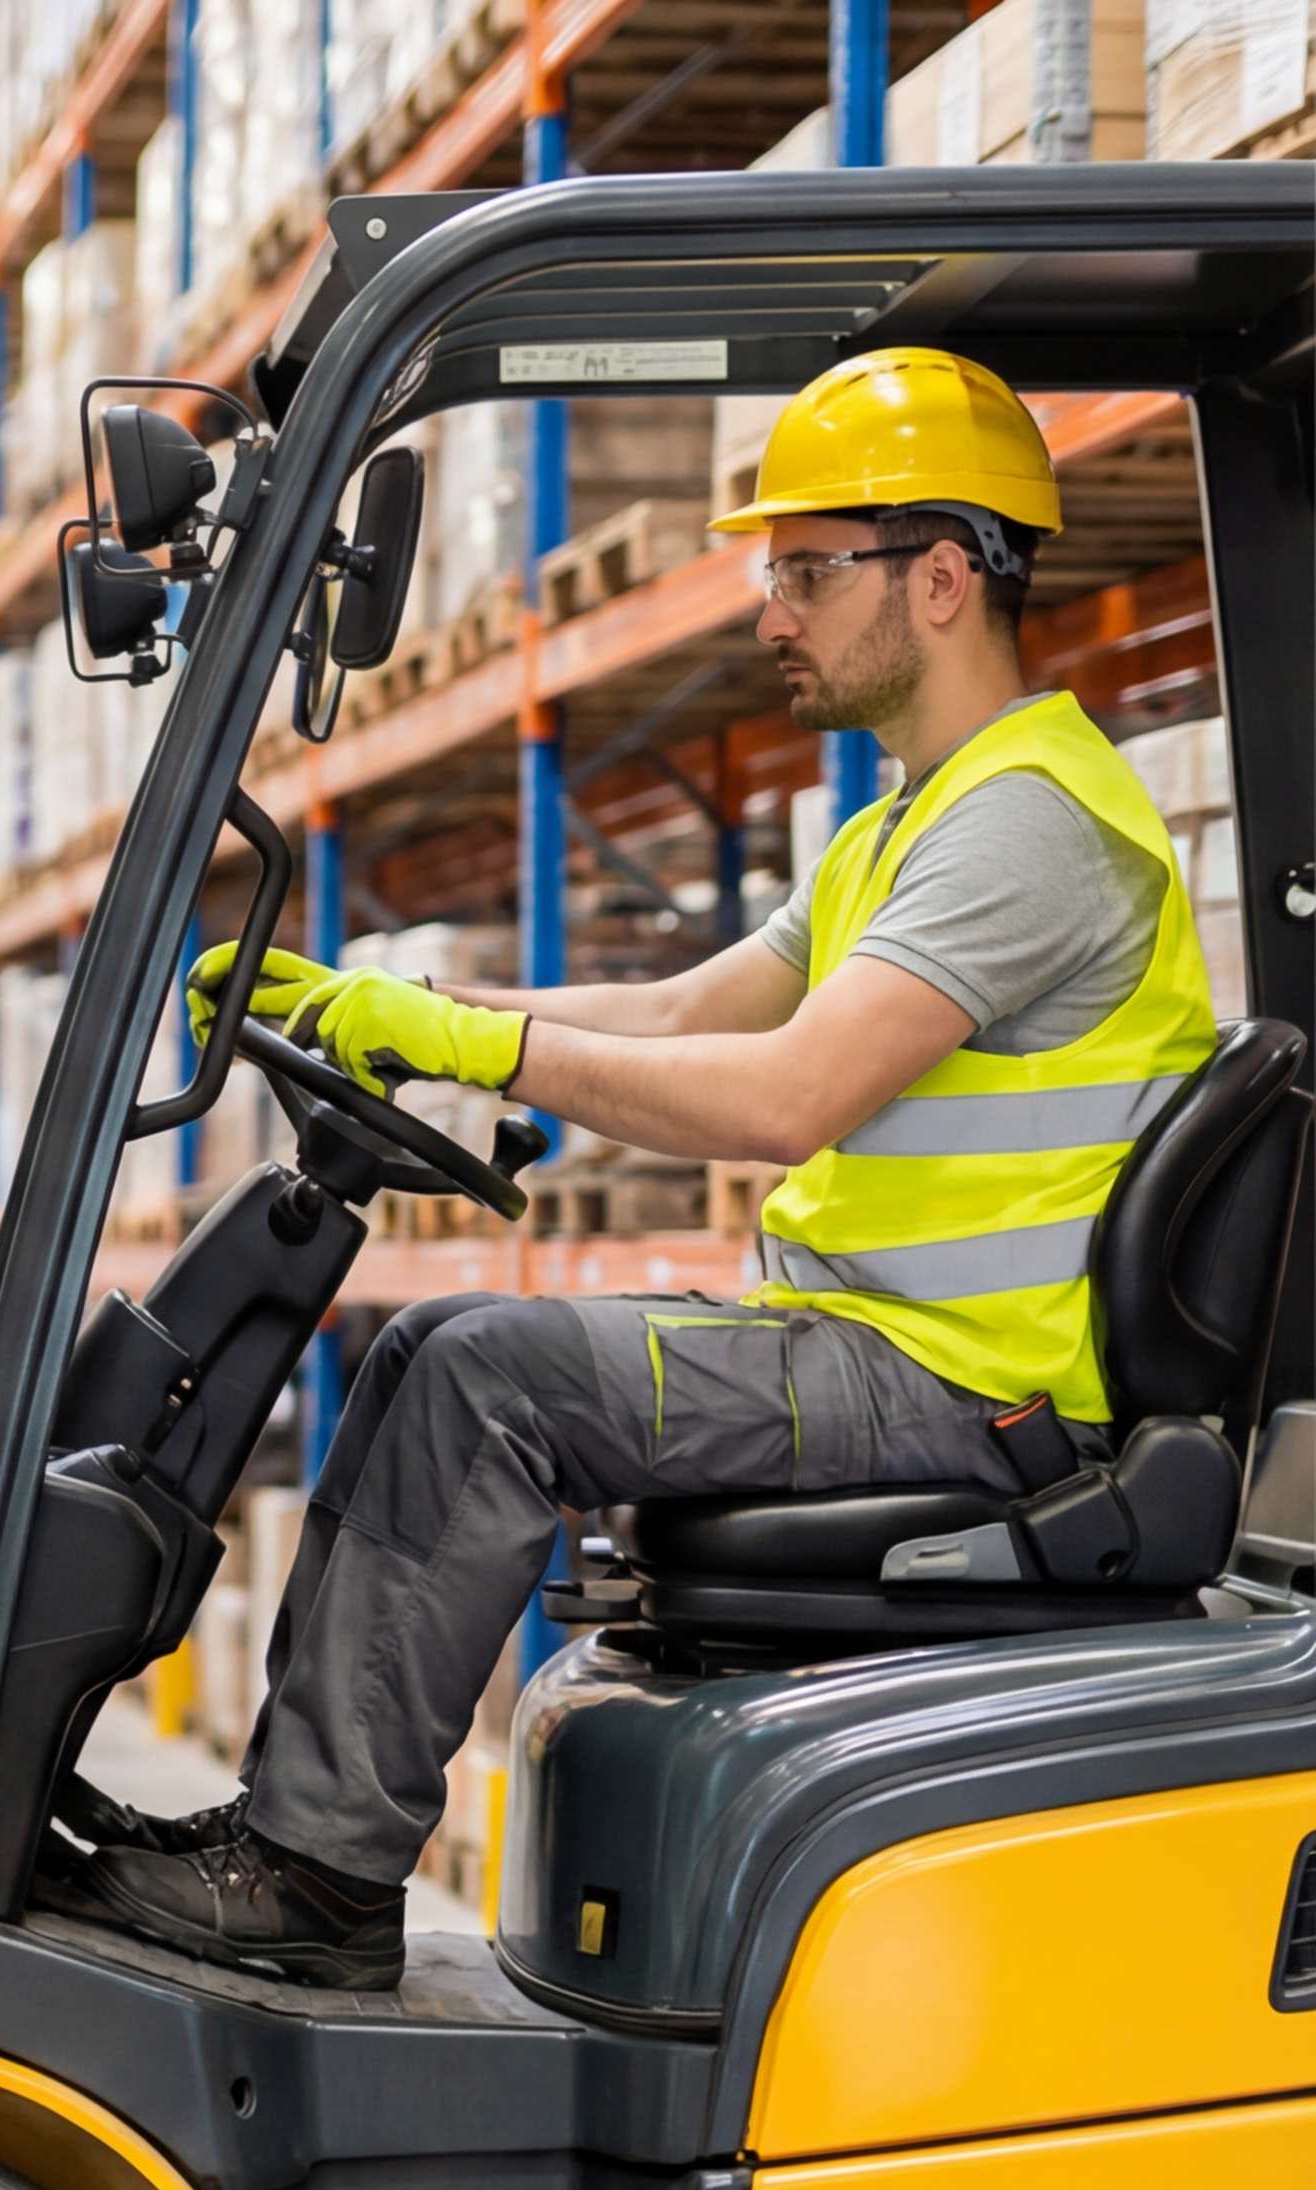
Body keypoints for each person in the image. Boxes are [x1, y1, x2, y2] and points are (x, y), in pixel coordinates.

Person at [69, 347, 1217, 1989]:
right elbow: (682, 1007)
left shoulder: (1026, 821)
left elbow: (776, 1096)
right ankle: (288, 1831)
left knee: (485, 1374)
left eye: (806, 571)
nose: (768, 611)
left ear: (944, 576)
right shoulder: (910, 816)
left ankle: (312, 1875)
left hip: (962, 1388)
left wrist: (466, 1046)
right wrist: (385, 1007)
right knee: (427, 1351)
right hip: (882, 1346)